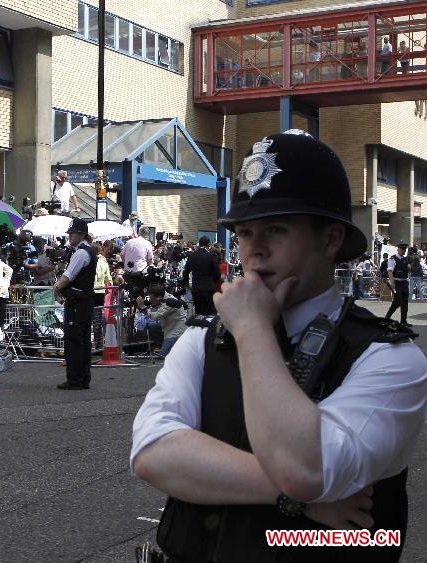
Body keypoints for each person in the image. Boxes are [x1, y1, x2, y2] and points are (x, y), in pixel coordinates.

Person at [132, 131, 426, 562]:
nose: (254, 251)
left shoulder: (391, 357)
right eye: (246, 233)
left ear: (330, 240)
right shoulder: (204, 337)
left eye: (277, 229)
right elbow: (152, 452)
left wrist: (252, 329)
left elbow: (307, 468)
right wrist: (295, 499)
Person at [52, 218, 97, 390]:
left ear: (80, 235)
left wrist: (57, 286)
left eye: (72, 233)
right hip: (85, 302)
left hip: (77, 303)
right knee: (84, 341)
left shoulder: (80, 253)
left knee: (74, 342)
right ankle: (83, 378)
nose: (69, 236)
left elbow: (68, 277)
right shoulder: (89, 251)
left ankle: (75, 379)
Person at [134, 284, 186, 358]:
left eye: (152, 299)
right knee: (149, 326)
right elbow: (153, 308)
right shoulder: (162, 296)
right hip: (166, 327)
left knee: (162, 356)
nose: (151, 301)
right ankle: (159, 343)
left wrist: (143, 307)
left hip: (176, 331)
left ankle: (170, 345)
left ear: (159, 298)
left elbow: (155, 316)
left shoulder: (170, 302)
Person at [182, 235, 221, 315]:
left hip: (196, 289)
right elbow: (217, 273)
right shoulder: (211, 256)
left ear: (199, 244)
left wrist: (186, 284)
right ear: (209, 245)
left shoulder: (191, 255)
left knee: (199, 313)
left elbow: (185, 272)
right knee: (210, 314)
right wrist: (213, 282)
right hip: (208, 289)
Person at [385, 242, 412, 326]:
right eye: (402, 249)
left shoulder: (405, 259)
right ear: (398, 249)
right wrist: (392, 282)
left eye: (404, 249)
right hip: (396, 282)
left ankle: (403, 320)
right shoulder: (393, 259)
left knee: (405, 302)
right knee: (398, 301)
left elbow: (407, 270)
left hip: (404, 282)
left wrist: (409, 267)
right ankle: (387, 318)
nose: (403, 251)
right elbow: (390, 271)